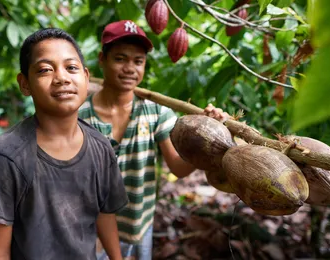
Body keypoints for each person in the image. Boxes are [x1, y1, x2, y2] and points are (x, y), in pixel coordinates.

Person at [0, 28, 129, 260]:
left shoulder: (100, 147)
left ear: (86, 77)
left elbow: (104, 214)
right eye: (45, 70)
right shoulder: (4, 159)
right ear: (25, 84)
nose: (62, 78)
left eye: (71, 68)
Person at [78, 20, 230, 260]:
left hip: (137, 227)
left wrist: (209, 138)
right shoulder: (79, 116)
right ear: (102, 59)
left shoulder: (156, 113)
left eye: (138, 61)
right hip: (87, 230)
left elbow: (178, 168)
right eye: (120, 59)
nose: (130, 68)